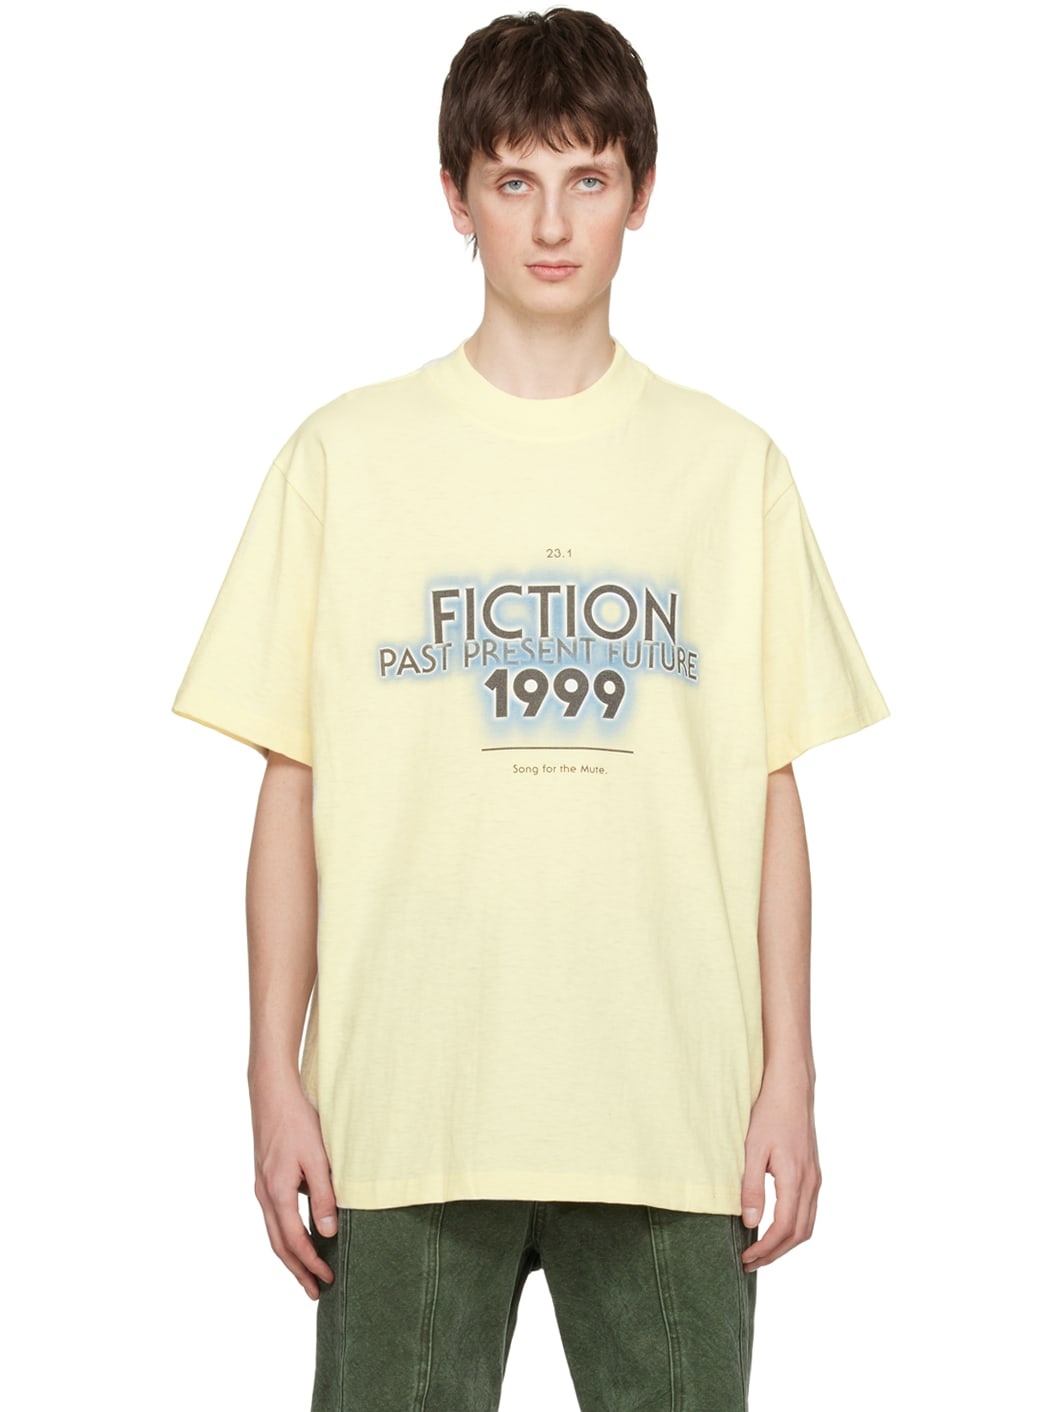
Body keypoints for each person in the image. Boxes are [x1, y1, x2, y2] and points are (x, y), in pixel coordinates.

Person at [172, 8, 890, 1409]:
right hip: (403, 1113)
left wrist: (791, 1079)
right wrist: (272, 1075)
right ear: (456, 197)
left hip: (670, 1111)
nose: (552, 223)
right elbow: (291, 787)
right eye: (514, 179)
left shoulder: (729, 469)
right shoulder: (344, 458)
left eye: (587, 178)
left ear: (641, 195)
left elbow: (770, 794)